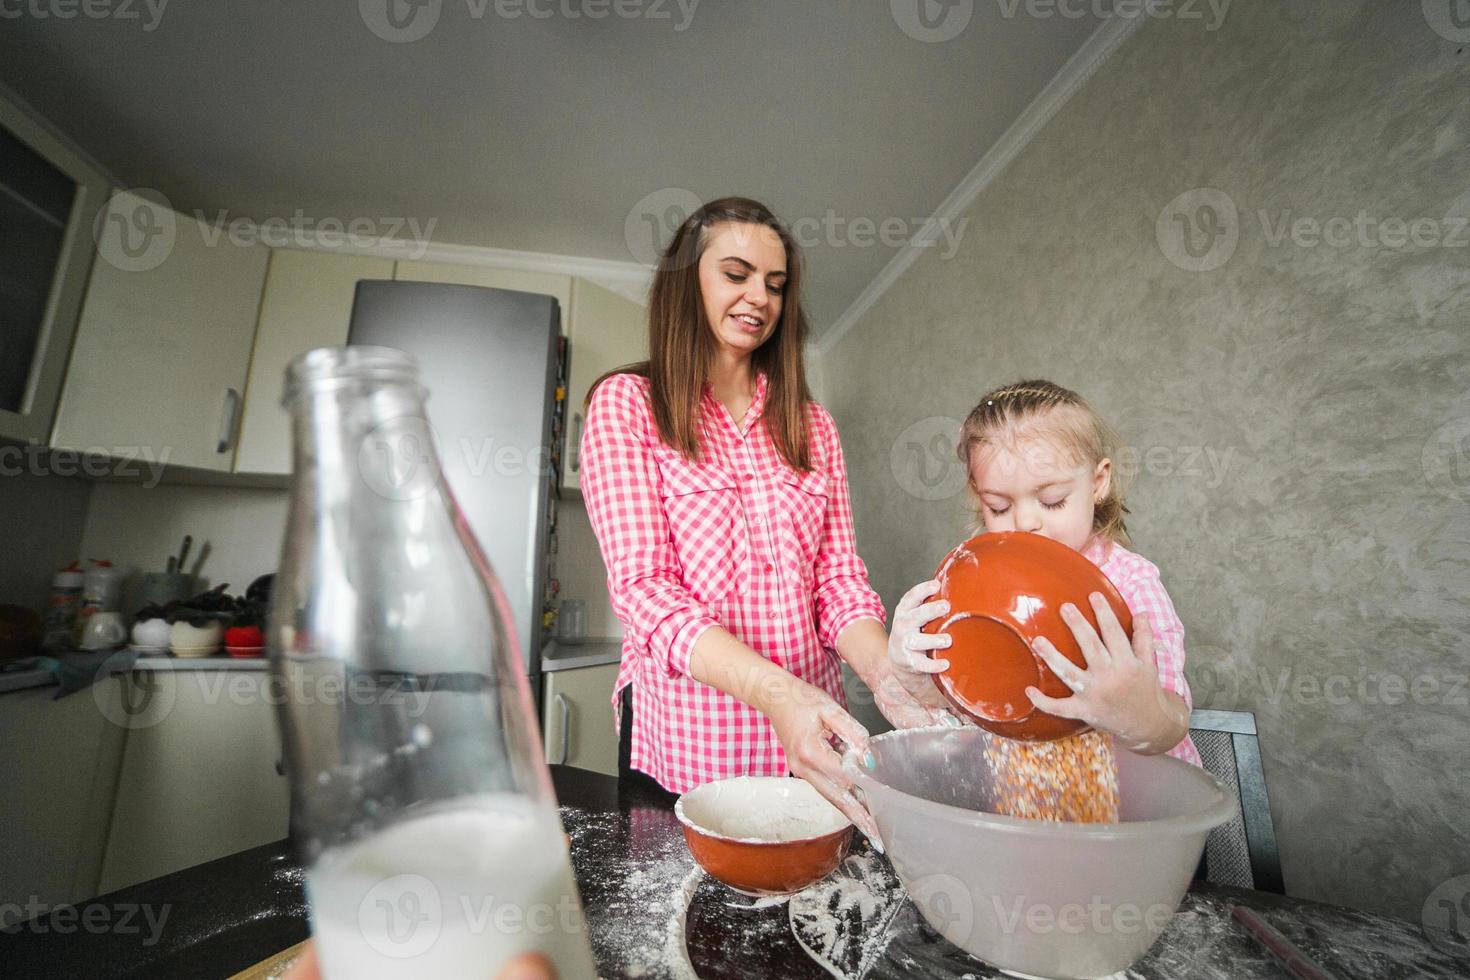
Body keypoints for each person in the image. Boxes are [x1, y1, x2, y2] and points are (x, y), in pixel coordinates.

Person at [579, 197, 950, 842]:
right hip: (687, 743)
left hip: (808, 746)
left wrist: (886, 675)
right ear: (686, 281)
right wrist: (779, 696)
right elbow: (646, 591)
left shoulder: (812, 425)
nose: (759, 297)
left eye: (775, 285)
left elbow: (837, 580)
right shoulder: (628, 406)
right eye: (736, 273)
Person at [888, 379, 1201, 764]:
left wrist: (1137, 712)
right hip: (1029, 799)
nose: (1024, 521)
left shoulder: (1132, 582)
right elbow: (966, 709)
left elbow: (1171, 725)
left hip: (1129, 805)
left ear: (1098, 483)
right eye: (999, 507)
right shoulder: (973, 581)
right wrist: (918, 675)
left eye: (1052, 501)